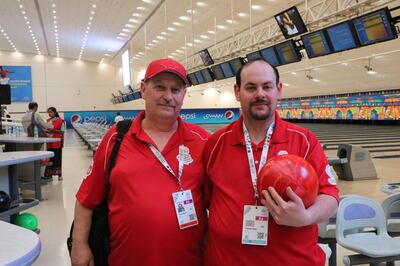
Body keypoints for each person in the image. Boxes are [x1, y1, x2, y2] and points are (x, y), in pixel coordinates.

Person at [71, 58, 209, 266]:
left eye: (176, 89)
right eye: (160, 87)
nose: (168, 96)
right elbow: (86, 198)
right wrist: (79, 244)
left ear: (183, 95)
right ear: (143, 89)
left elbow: (222, 201)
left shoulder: (203, 141)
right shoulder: (116, 138)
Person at [203, 59, 339, 266]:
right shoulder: (215, 143)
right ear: (237, 92)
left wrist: (306, 216)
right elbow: (205, 199)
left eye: (267, 86)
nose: (260, 94)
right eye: (251, 87)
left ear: (279, 90)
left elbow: (330, 195)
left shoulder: (304, 140)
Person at [43, 107, 65, 181]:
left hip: (57, 142)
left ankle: (59, 174)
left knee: (57, 158)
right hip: (49, 142)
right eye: (48, 112)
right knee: (50, 158)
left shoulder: (61, 121)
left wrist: (53, 130)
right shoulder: (48, 121)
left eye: (51, 112)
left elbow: (62, 131)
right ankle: (49, 174)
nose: (49, 113)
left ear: (55, 112)